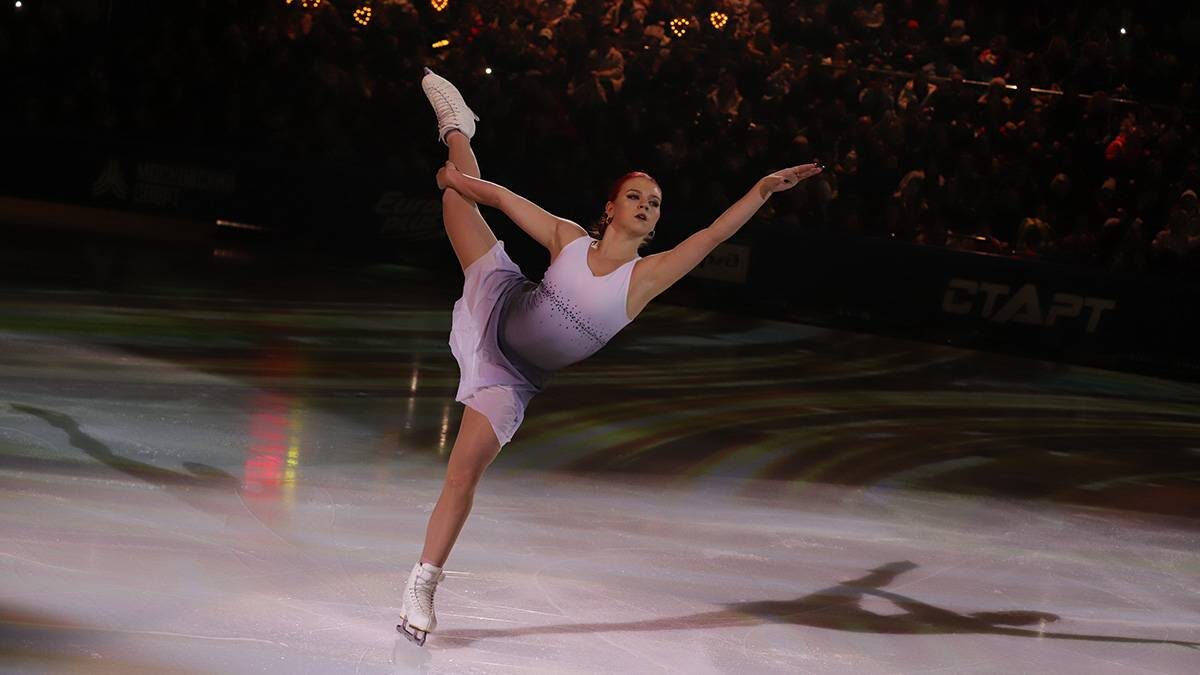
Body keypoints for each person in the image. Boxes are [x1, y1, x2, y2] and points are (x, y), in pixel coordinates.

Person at [398, 68, 822, 646]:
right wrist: (455, 174)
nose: (647, 206)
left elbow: (714, 234)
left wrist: (762, 190)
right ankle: (457, 126)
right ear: (611, 207)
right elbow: (498, 196)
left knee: (461, 474)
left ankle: (423, 583)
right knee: (455, 196)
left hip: (513, 377)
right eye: (636, 196)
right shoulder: (568, 239)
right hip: (501, 300)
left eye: (655, 202)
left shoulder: (646, 278)